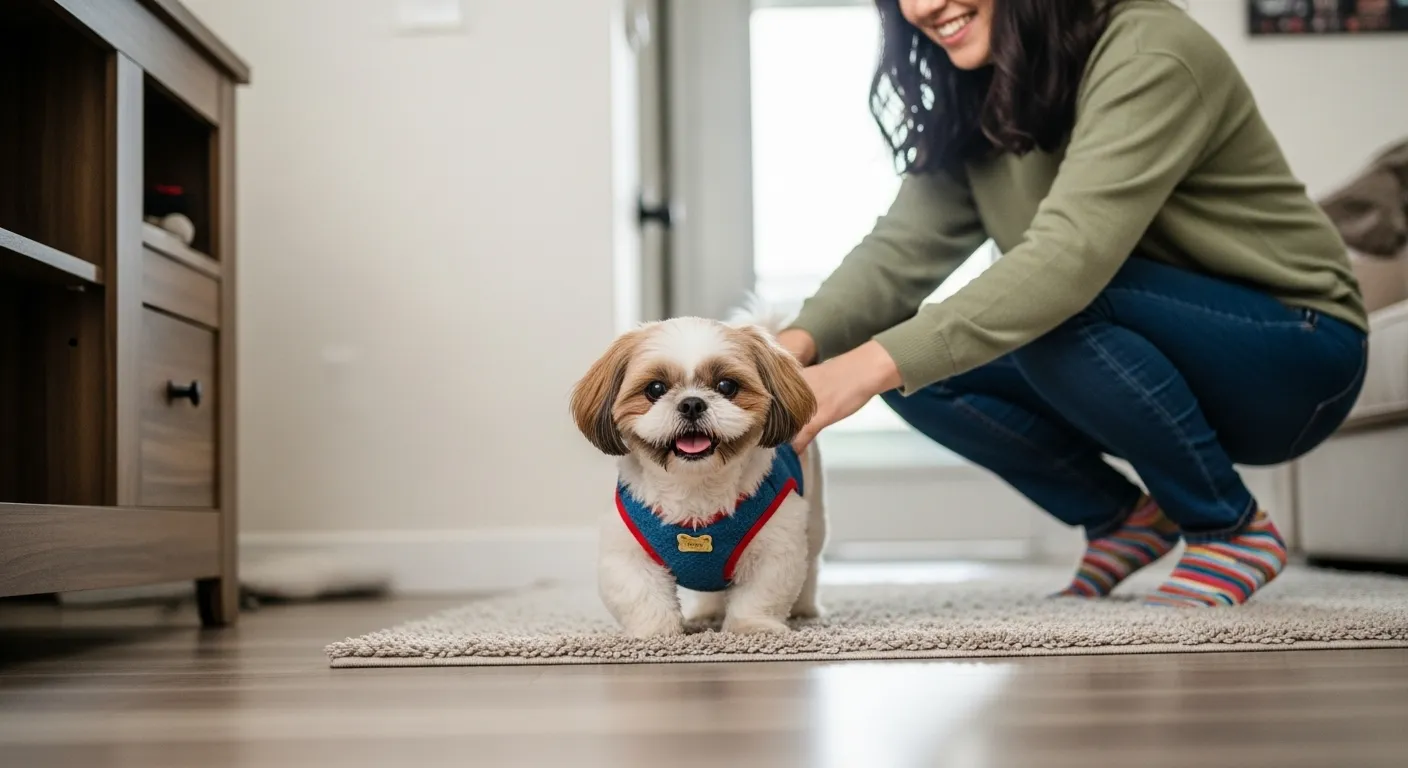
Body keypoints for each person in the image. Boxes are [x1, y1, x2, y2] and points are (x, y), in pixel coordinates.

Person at [776, 0, 1369, 607]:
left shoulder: (1148, 48)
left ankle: (1228, 528)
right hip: (1150, 340)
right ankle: (1120, 520)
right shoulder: (981, 87)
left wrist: (863, 368)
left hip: (1299, 353)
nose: (926, 5)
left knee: (1029, 308)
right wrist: (783, 354)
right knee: (894, 360)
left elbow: (1067, 264)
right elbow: (899, 252)